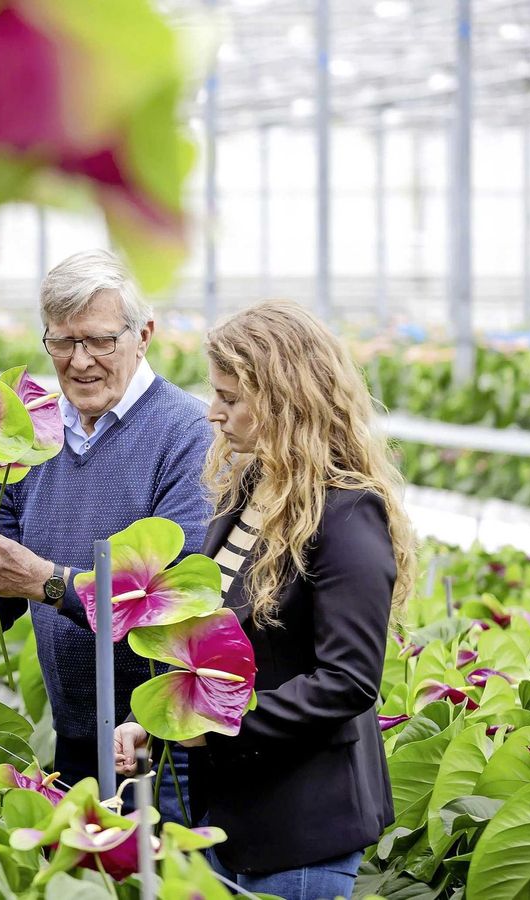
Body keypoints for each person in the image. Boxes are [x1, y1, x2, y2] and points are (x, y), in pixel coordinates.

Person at [115, 300, 413, 900]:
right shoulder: (251, 490)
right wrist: (161, 721)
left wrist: (215, 725)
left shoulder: (348, 514)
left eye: (230, 397)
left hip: (303, 826)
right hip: (232, 815)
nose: (214, 413)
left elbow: (348, 681)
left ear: (284, 399)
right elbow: (222, 649)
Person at [0, 248, 212, 821]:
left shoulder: (187, 435)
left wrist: (46, 582)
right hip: (75, 736)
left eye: (100, 341)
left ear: (143, 335)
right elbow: (4, 569)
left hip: (161, 745)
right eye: (63, 342)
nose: (80, 361)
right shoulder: (35, 433)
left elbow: (173, 598)